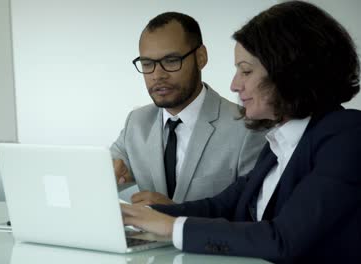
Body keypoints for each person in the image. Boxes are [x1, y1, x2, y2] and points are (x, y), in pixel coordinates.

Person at [121, 2, 361, 263]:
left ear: (290, 72)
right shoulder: (279, 142)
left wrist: (171, 227)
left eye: (246, 71)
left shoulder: (348, 136)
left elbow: (283, 239)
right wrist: (136, 214)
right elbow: (221, 206)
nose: (235, 85)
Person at [111, 12, 266, 205]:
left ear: (201, 57)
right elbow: (104, 171)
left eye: (171, 61)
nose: (158, 75)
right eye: (147, 63)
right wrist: (109, 175)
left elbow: (254, 217)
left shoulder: (247, 127)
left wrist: (176, 216)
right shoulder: (136, 122)